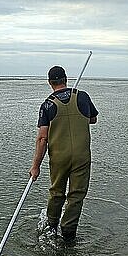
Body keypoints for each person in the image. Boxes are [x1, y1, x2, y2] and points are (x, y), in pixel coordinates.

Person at [29, 65, 98, 243]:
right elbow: (93, 119)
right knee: (76, 195)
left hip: (59, 157)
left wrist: (35, 166)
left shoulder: (47, 105)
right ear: (66, 79)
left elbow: (42, 138)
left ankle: (51, 227)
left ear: (50, 82)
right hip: (82, 155)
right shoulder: (82, 96)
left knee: (56, 192)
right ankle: (68, 232)